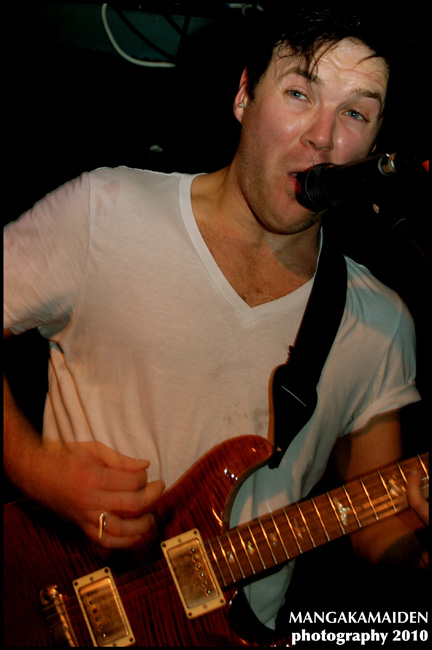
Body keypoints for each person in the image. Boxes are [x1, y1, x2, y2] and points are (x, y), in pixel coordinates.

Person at [3, 2, 428, 637]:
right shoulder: (106, 211)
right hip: (55, 598)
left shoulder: (380, 324)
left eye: (355, 114)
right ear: (242, 97)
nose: (321, 135)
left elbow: (375, 517)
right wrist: (32, 466)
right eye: (298, 93)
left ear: (372, 148)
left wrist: (418, 554)